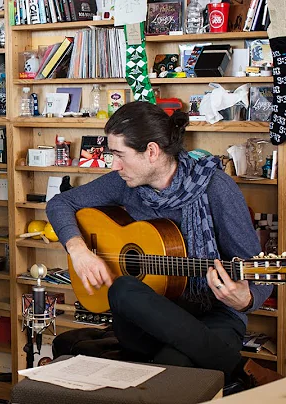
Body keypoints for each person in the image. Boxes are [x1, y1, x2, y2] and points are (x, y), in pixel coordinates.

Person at [46, 101, 280, 387]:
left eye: (120, 154)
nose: (114, 165)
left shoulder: (216, 188)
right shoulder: (124, 183)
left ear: (152, 152)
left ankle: (234, 368)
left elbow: (257, 274)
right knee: (123, 288)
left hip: (213, 315)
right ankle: (243, 370)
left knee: (173, 369)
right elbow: (60, 203)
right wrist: (79, 250)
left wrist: (245, 298)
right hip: (144, 322)